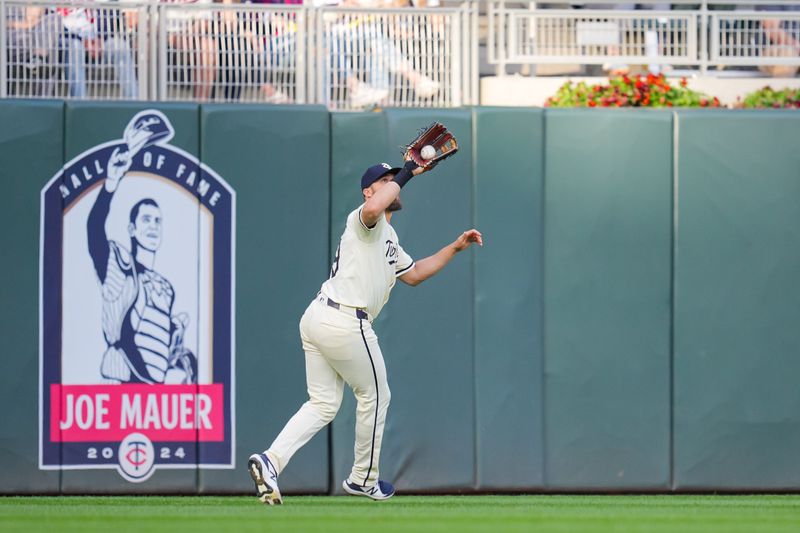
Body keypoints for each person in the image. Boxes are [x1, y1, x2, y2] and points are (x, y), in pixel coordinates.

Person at [248, 157, 483, 505]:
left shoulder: (387, 236)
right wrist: (406, 173)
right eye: (384, 180)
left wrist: (454, 248)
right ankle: (363, 478)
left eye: (392, 178)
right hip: (344, 320)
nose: (391, 184)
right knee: (377, 395)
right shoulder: (364, 221)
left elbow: (415, 273)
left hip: (320, 317)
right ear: (368, 190)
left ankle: (270, 460)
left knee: (324, 403)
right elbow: (373, 209)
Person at [87, 137, 196, 385]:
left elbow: (159, 343)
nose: (153, 226)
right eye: (146, 220)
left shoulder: (165, 288)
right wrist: (110, 184)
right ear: (132, 229)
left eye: (157, 221)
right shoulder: (119, 265)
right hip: (120, 380)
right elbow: (94, 230)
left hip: (151, 389)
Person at [757, 4, 800, 77]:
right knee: (786, 57)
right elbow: (773, 30)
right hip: (782, 48)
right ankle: (781, 87)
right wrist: (797, 46)